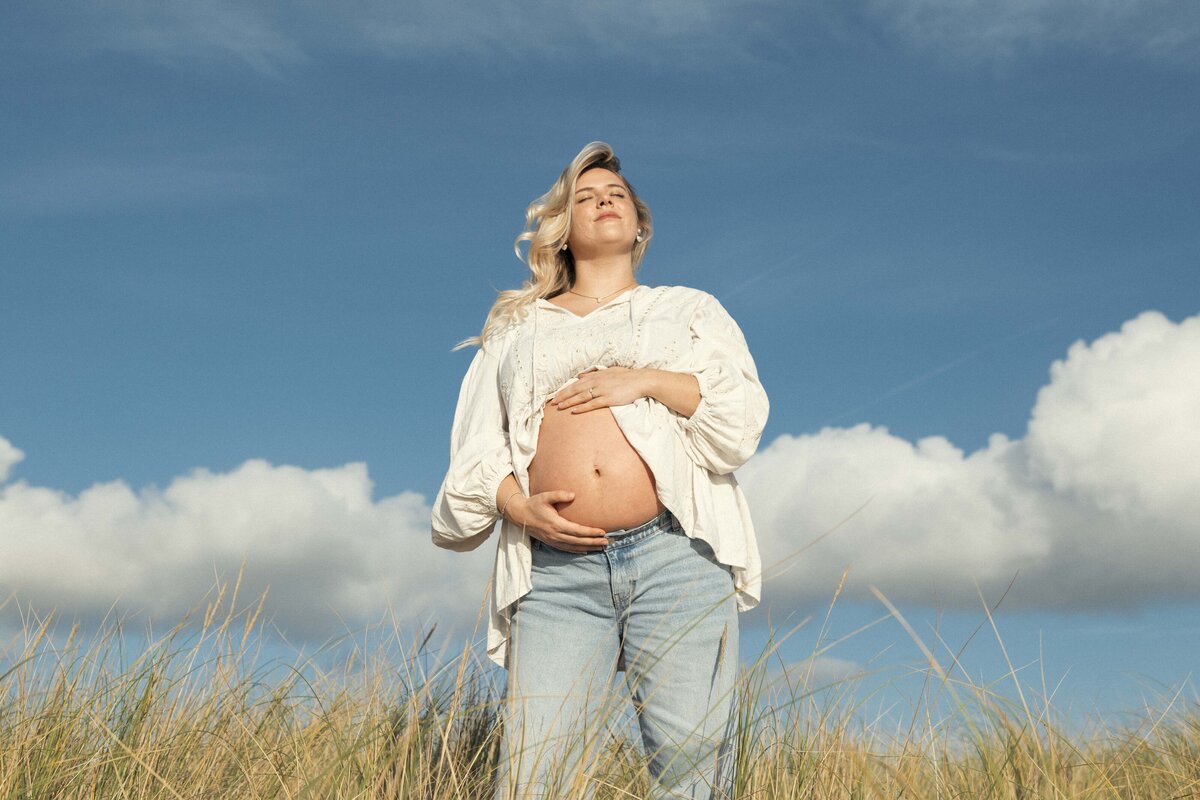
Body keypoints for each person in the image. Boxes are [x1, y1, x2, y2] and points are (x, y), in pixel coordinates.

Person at [431, 141, 769, 799]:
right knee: (535, 779)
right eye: (584, 197)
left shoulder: (690, 310)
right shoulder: (517, 327)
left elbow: (739, 423)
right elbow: (475, 450)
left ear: (639, 224)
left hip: (678, 556)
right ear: (562, 231)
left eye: (616, 193)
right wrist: (516, 504)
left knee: (690, 772)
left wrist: (643, 380)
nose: (603, 200)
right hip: (555, 574)